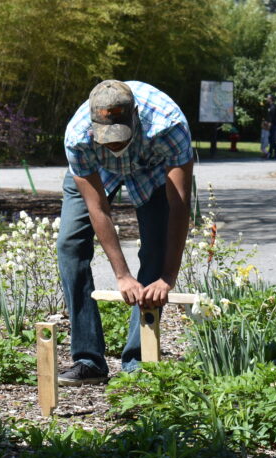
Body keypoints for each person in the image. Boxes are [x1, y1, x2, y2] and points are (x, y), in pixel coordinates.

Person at [56, 80, 194, 385]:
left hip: (154, 166)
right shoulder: (78, 136)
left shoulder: (168, 125)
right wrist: (122, 275)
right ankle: (88, 360)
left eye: (120, 137)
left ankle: (137, 362)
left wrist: (168, 276)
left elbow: (179, 204)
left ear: (136, 119)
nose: (115, 146)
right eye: (108, 139)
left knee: (156, 250)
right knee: (69, 245)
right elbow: (98, 209)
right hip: (97, 167)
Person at [266, 94, 276, 159]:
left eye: (268, 98)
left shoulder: (273, 107)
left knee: (272, 140)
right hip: (271, 124)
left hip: (273, 125)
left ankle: (274, 153)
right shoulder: (270, 106)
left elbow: (272, 117)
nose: (267, 99)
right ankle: (272, 153)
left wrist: (270, 125)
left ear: (271, 99)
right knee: (271, 140)